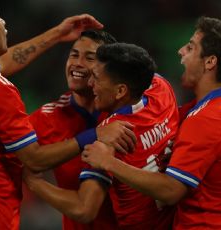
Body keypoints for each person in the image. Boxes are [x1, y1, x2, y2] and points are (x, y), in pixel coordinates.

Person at [0, 0, 135, 229]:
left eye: (89, 57)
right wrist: (95, 134)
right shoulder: (4, 94)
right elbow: (34, 159)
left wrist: (58, 33)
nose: (3, 21)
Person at [81, 16, 221, 229]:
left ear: (210, 62)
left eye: (191, 47)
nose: (181, 52)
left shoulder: (207, 119)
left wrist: (108, 162)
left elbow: (171, 191)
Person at [23, 43, 180, 229]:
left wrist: (35, 183)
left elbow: (84, 209)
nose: (90, 84)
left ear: (121, 91)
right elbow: (141, 70)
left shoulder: (109, 139)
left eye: (97, 78)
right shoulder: (161, 89)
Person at [27, 30, 119, 229]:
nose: (77, 63)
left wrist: (35, 184)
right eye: (74, 55)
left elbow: (85, 209)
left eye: (90, 58)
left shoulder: (124, 111)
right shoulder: (45, 118)